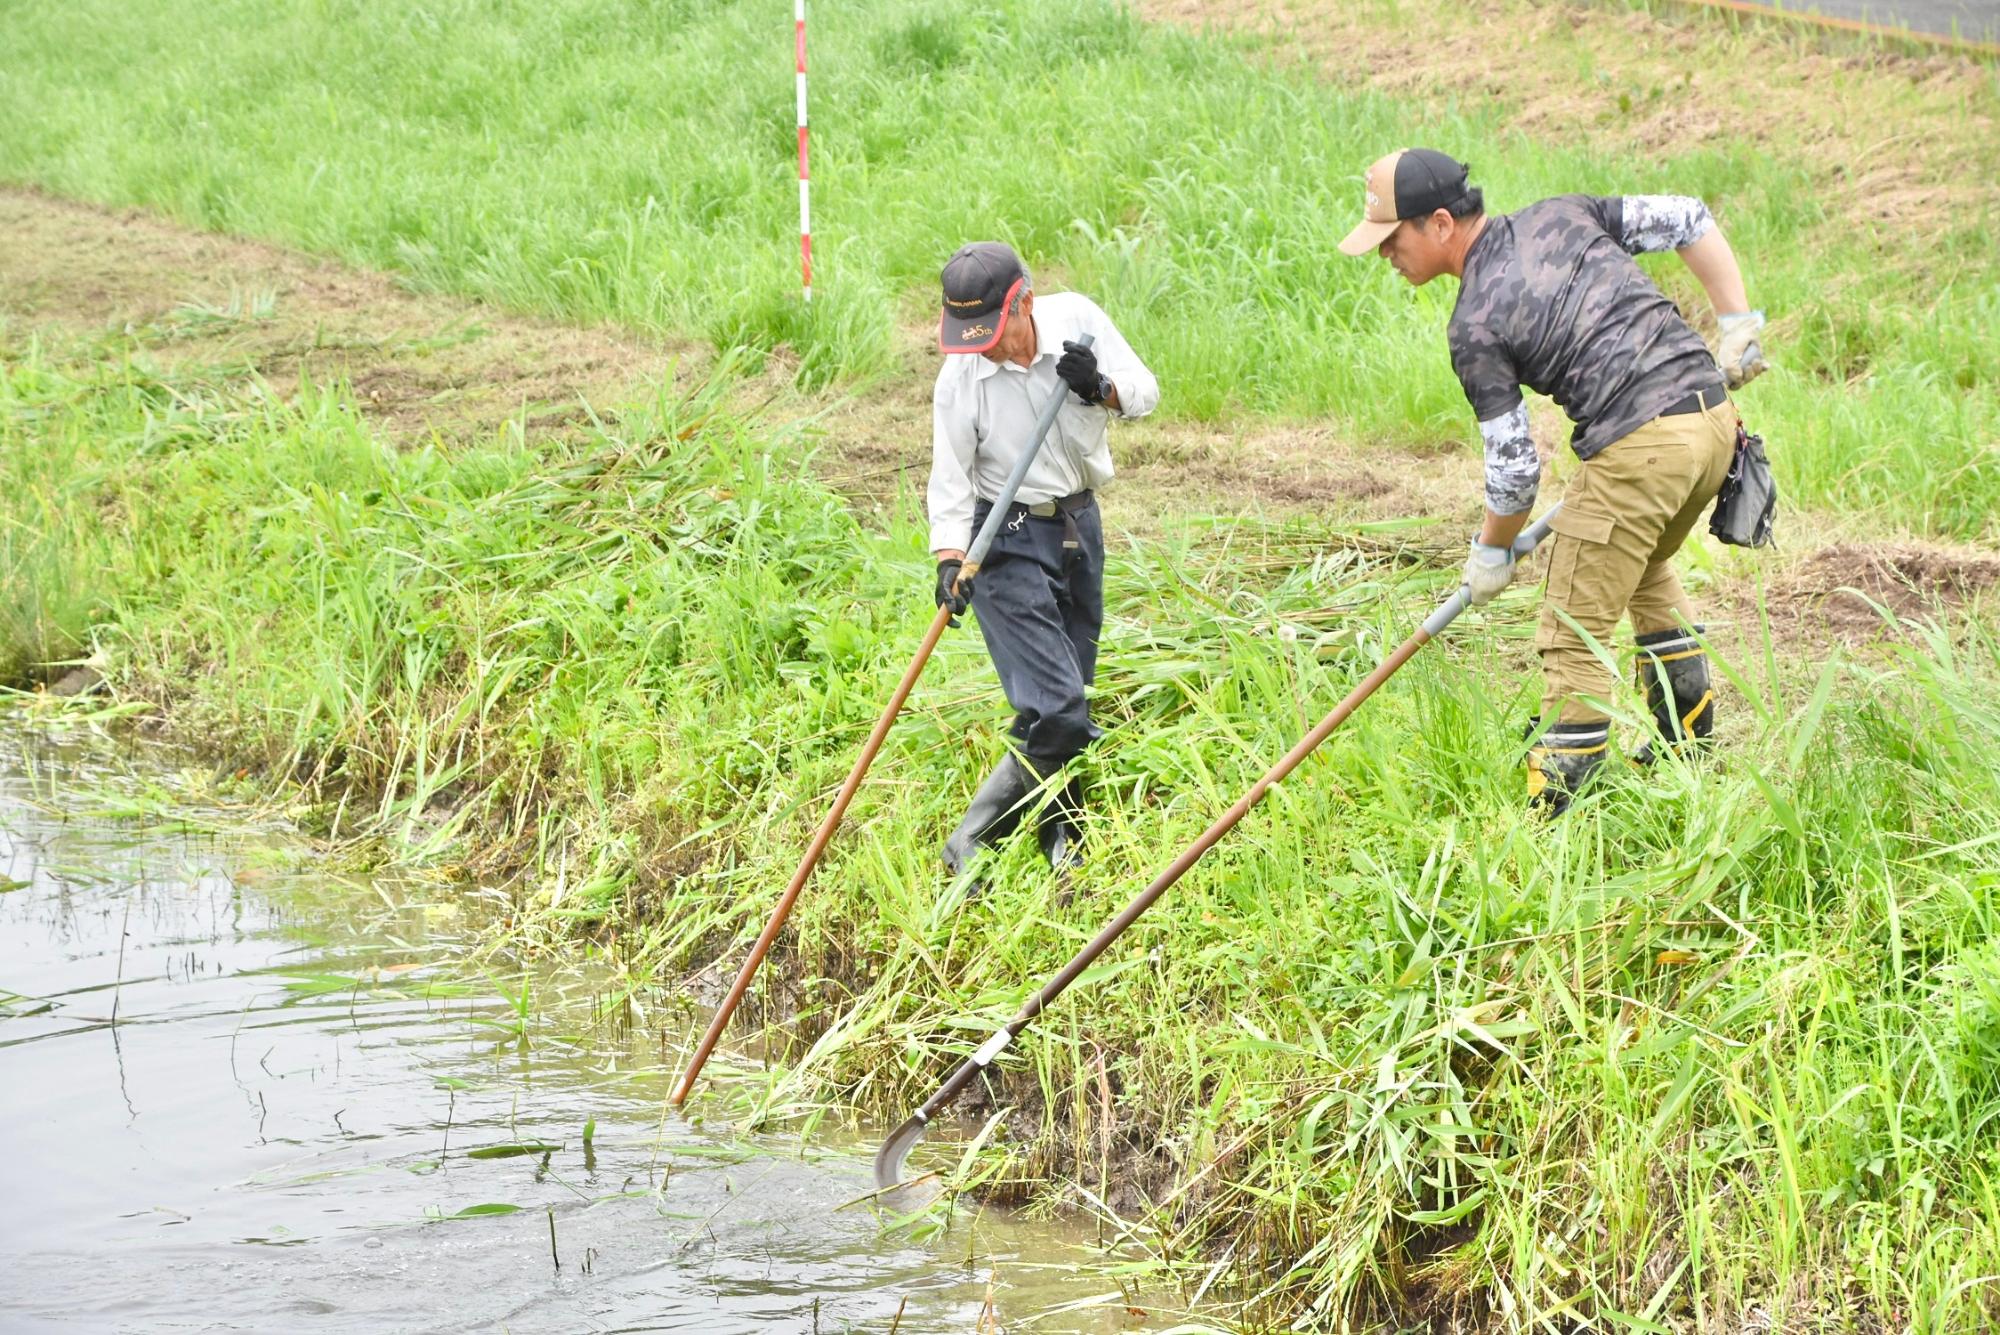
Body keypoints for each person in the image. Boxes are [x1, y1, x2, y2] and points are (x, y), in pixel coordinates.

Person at [1336, 149, 1769, 811]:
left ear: (1442, 224)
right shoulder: (1565, 215)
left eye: (1392, 239)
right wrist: (1736, 323)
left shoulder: (1475, 324)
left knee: (1571, 624)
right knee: (1642, 565)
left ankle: (1561, 819)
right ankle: (1688, 752)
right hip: (1713, 424)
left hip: (1644, 446)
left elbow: (1514, 473)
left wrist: (1490, 551)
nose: (1384, 255)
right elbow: (1689, 217)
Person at [928, 241, 1159, 877]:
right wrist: (951, 558)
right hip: (1002, 536)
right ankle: (972, 841)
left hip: (1078, 524)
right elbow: (950, 476)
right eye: (969, 335)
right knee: (1056, 705)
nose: (983, 347)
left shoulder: (1079, 322)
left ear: (1025, 303)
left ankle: (1064, 835)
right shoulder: (962, 378)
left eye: (993, 332)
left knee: (1069, 689)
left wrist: (1100, 387)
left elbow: (1146, 392)